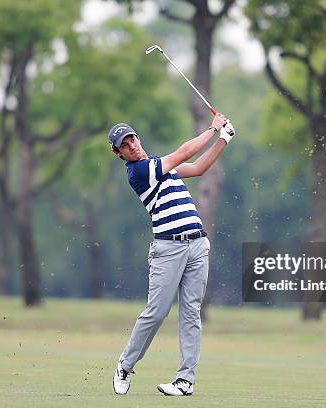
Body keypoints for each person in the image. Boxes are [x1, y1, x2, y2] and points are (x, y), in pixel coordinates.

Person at [109, 113, 234, 396]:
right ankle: (125, 366)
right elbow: (185, 152)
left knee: (191, 313)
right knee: (157, 312)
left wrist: (224, 138)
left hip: (198, 245)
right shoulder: (140, 172)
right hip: (168, 249)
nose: (131, 145)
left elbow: (200, 167)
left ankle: (185, 380)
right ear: (119, 154)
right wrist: (212, 128)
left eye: (132, 139)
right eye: (124, 145)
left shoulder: (161, 167)